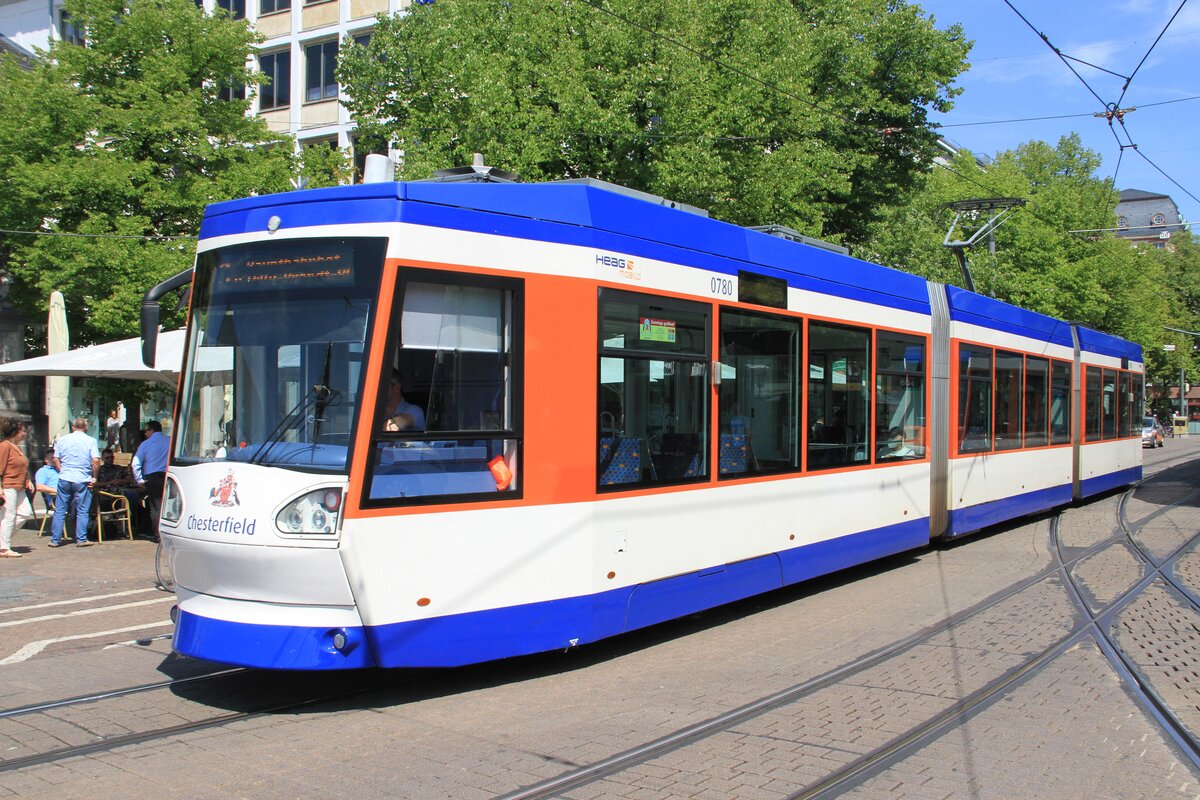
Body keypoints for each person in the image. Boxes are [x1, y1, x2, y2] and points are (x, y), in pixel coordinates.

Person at [49, 417, 100, 548]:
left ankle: (55, 539)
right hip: (82, 478)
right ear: (86, 427)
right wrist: (94, 477)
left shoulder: (62, 440)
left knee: (60, 510)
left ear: (73, 427)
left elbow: (55, 459)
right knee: (82, 510)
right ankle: (81, 539)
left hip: (65, 477)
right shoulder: (91, 441)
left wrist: (62, 470)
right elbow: (95, 460)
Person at [0, 419, 35, 558]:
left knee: (25, 512)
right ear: (15, 432)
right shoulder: (5, 446)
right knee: (9, 515)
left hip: (19, 486)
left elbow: (22, 467)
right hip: (8, 486)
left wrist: (28, 480)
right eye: (23, 430)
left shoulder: (16, 447)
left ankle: (2, 541)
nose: (25, 433)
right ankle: (4, 547)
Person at [132, 420, 170, 541]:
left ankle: (158, 534)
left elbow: (135, 463)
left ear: (152, 430)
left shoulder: (146, 444)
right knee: (167, 505)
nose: (145, 433)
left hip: (152, 477)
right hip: (168, 475)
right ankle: (169, 531)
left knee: (155, 506)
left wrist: (139, 480)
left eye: (147, 431)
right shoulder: (170, 441)